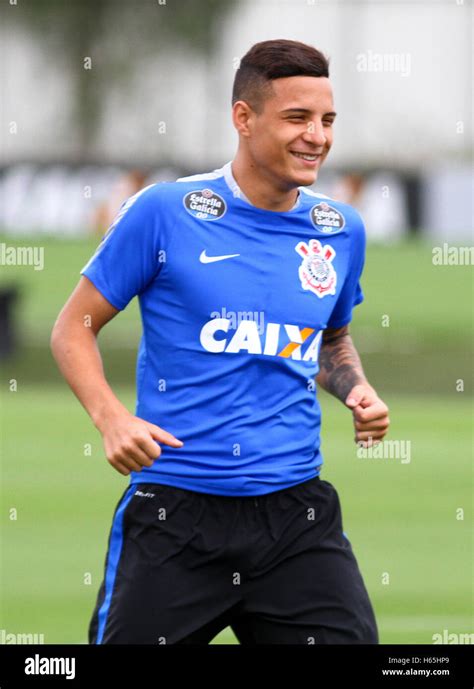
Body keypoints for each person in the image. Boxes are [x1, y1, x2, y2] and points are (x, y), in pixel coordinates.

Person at [51, 39, 390, 645]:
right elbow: (72, 327)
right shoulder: (165, 211)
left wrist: (356, 388)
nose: (317, 136)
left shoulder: (340, 231)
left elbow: (330, 338)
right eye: (297, 118)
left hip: (297, 520)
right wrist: (112, 420)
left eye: (327, 120)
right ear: (243, 117)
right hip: (175, 516)